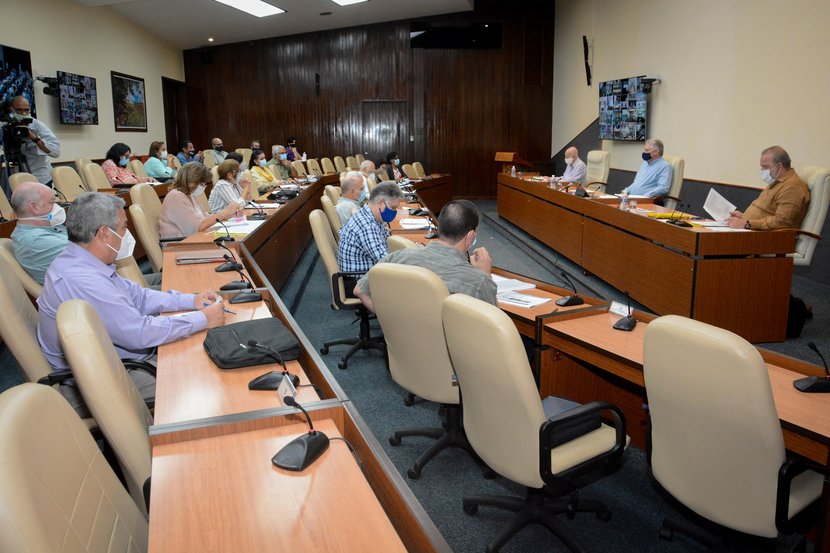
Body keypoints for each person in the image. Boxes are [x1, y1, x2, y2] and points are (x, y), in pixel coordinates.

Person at [36, 192, 225, 413]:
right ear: (105, 234)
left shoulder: (82, 260)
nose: (126, 234)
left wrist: (192, 300)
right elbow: (139, 334)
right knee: (207, 376)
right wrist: (202, 319)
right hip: (104, 378)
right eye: (124, 228)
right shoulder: (81, 279)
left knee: (201, 351)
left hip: (119, 359)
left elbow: (140, 296)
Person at [354, 199, 497, 312]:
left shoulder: (396, 257)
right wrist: (485, 275)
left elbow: (360, 290)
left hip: (400, 346)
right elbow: (494, 328)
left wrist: (389, 321)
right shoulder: (478, 281)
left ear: (439, 227)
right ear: (471, 235)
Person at [727, 146, 810, 230]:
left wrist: (747, 223)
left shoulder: (792, 187)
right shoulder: (777, 182)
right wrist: (743, 217)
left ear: (779, 166)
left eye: (765, 167)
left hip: (767, 238)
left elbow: (781, 222)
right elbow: (765, 212)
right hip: (753, 231)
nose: (762, 170)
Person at [159, 162, 241, 239]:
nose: (203, 187)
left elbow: (203, 216)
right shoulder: (175, 196)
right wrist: (224, 213)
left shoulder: (190, 194)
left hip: (194, 239)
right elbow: (198, 226)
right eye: (202, 184)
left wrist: (227, 215)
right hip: (179, 244)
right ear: (192, 181)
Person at [337, 182, 405, 273]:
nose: (394, 211)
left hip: (371, 273)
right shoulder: (367, 226)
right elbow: (386, 262)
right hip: (361, 281)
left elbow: (387, 241)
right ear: (380, 203)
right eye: (393, 207)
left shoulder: (371, 216)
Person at [10, 181, 67, 284]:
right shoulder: (35, 240)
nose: (57, 207)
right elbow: (95, 255)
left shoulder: (45, 229)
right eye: (51, 202)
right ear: (34, 207)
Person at [8, 96, 61, 186]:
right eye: (20, 110)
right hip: (18, 178)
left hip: (41, 179)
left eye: (27, 110)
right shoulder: (7, 127)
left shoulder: (37, 126)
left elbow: (56, 152)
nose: (24, 113)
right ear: (12, 110)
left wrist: (33, 137)